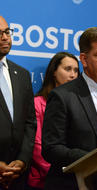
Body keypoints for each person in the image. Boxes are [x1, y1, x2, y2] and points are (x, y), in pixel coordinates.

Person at [42, 27, 97, 190]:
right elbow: (51, 148)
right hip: (75, 184)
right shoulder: (63, 96)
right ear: (84, 59)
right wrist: (94, 160)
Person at [26, 52, 79, 190]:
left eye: (76, 70)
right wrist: (59, 170)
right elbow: (37, 145)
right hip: (44, 180)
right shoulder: (38, 103)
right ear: (54, 72)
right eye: (67, 69)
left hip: (75, 178)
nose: (73, 75)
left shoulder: (79, 105)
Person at [0, 16, 36, 190]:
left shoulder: (22, 74)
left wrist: (22, 160)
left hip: (18, 176)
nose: (5, 37)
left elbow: (30, 122)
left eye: (7, 31)